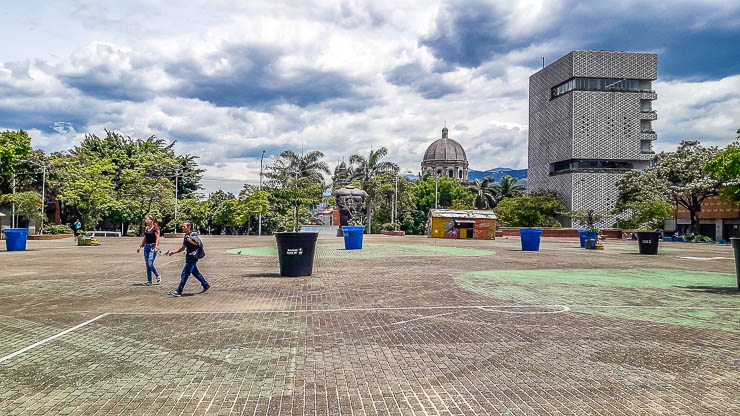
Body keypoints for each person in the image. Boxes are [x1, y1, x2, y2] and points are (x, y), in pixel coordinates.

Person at [167, 222, 210, 297]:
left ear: (188, 227)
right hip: (189, 257)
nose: (182, 228)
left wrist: (190, 240)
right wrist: (174, 252)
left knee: (185, 273)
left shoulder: (193, 234)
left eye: (184, 226)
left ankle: (179, 291)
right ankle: (206, 285)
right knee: (195, 273)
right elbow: (183, 248)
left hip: (193, 257)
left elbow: (197, 244)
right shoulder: (186, 236)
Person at [136, 215, 161, 285]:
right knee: (147, 264)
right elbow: (145, 238)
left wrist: (156, 247)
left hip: (153, 247)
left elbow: (157, 238)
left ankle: (157, 276)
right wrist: (140, 246)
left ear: (152, 221)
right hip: (146, 247)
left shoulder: (155, 228)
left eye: (148, 220)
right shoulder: (146, 228)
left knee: (150, 263)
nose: (146, 221)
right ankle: (149, 281)